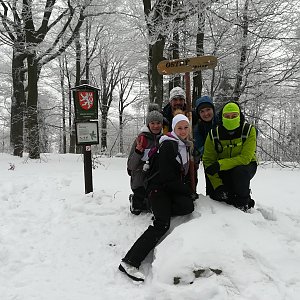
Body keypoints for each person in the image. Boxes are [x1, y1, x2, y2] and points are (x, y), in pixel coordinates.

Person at [119, 114, 195, 282]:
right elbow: (167, 176)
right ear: (173, 129)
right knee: (162, 224)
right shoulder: (169, 144)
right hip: (157, 189)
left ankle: (159, 209)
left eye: (185, 127)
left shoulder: (183, 145)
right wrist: (187, 190)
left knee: (187, 206)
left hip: (168, 189)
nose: (183, 131)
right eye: (179, 128)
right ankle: (129, 262)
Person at [202, 101, 257, 211]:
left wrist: (220, 164)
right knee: (218, 197)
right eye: (227, 116)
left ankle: (243, 203)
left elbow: (245, 158)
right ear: (221, 117)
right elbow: (208, 161)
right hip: (222, 168)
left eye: (234, 116)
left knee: (239, 173)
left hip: (245, 167)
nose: (230, 119)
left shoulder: (249, 130)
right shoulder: (213, 135)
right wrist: (218, 185)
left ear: (239, 116)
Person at [127, 103, 163, 215]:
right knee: (139, 208)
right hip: (140, 179)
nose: (156, 126)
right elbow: (131, 165)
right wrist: (138, 152)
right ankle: (135, 200)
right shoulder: (141, 139)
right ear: (148, 124)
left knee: (155, 203)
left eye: (158, 123)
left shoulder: (164, 139)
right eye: (152, 123)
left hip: (155, 179)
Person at [193, 95, 218, 196]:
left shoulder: (222, 120)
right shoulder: (198, 129)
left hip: (227, 159)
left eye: (208, 109)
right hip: (210, 161)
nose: (206, 114)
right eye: (202, 111)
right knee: (213, 194)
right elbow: (200, 147)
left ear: (213, 109)